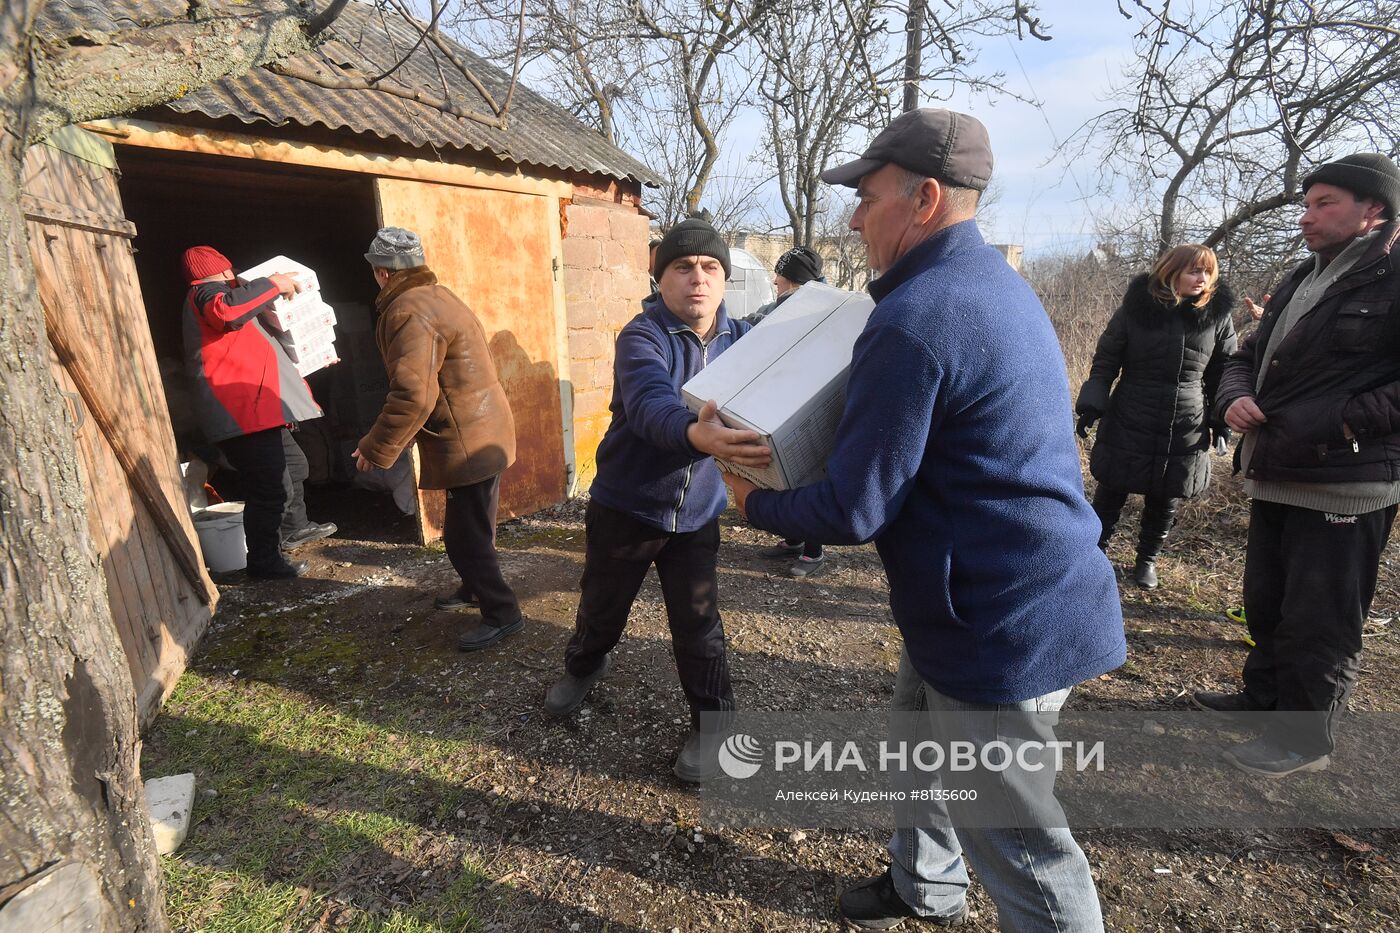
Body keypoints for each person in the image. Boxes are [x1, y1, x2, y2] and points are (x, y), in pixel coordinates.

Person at [723, 109, 1125, 931]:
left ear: (925, 198)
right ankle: (926, 884)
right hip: (985, 593)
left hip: (999, 618)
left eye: (867, 197)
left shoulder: (916, 318)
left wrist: (752, 499)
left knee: (1023, 845)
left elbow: (854, 507)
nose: (854, 216)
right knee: (916, 736)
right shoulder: (988, 285)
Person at [542, 218, 772, 782]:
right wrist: (697, 433)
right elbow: (648, 403)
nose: (698, 278)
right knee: (602, 606)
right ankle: (585, 664)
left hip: (697, 515)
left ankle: (713, 723)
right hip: (628, 504)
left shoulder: (744, 341)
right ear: (661, 277)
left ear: (724, 281)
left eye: (711, 267)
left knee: (699, 624)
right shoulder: (642, 337)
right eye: (683, 267)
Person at [1193, 153, 1400, 778]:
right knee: (1269, 601)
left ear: (1374, 211)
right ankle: (1263, 698)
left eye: (1324, 203)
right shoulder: (1300, 278)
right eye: (1306, 204)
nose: (1307, 216)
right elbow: (1244, 356)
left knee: (1321, 619)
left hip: (1347, 482)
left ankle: (1304, 741)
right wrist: (1232, 397)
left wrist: (1341, 420)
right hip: (1278, 469)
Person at [353, 228, 522, 651]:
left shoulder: (407, 310)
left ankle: (503, 613)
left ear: (381, 273)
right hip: (483, 429)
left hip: (467, 437)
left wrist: (376, 447)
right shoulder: (438, 294)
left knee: (464, 538)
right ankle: (472, 590)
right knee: (475, 526)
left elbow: (413, 395)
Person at [1075, 244, 1238, 589]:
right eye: (1195, 270)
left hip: (1186, 416)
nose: (1202, 278)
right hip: (1132, 408)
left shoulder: (1217, 316)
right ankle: (1094, 554)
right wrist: (1091, 405)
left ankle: (1147, 560)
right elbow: (1106, 360)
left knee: (1167, 494)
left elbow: (1224, 371)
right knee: (1112, 488)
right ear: (1171, 271)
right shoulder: (1136, 309)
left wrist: (1221, 420)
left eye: (1208, 272)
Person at [181, 246, 337, 580]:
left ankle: (294, 528)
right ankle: (265, 562)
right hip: (240, 414)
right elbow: (225, 312)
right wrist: (273, 283)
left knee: (294, 466)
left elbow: (265, 353)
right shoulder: (207, 293)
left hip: (261, 411)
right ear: (225, 271)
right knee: (268, 488)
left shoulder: (231, 303)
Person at [746, 246, 830, 576]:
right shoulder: (786, 306)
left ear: (795, 281)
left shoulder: (813, 308)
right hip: (784, 400)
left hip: (808, 404)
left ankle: (814, 549)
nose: (776, 283)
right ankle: (794, 538)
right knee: (785, 474)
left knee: (808, 476)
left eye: (780, 280)